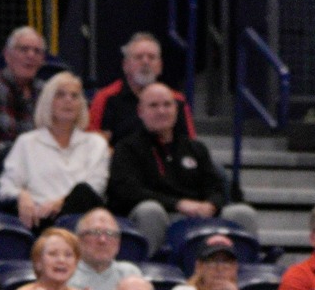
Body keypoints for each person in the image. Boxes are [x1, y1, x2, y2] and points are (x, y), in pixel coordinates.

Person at [107, 84, 257, 251]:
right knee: (150, 210)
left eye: (167, 105)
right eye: (154, 106)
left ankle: (243, 268)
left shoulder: (196, 148)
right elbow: (127, 192)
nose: (162, 111)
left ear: (176, 110)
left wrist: (211, 205)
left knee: (242, 212)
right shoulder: (127, 148)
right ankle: (149, 269)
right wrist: (178, 204)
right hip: (159, 215)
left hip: (199, 216)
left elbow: (218, 187)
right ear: (140, 111)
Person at [0, 71, 109, 228]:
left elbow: (95, 188)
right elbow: (6, 186)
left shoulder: (96, 143)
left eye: (74, 96)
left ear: (82, 104)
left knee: (83, 191)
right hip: (36, 218)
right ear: (48, 102)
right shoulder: (27, 142)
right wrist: (22, 196)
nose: (68, 100)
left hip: (80, 221)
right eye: (60, 95)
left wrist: (60, 203)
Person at [89, 33, 196, 142]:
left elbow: (190, 148)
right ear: (125, 66)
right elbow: (92, 148)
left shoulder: (176, 100)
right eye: (138, 57)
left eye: (151, 57)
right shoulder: (105, 98)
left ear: (160, 66)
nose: (145, 62)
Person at [70, 208, 141, 290]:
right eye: (95, 232)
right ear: (79, 241)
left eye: (110, 234)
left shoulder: (130, 274)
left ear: (118, 243)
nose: (102, 240)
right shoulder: (65, 275)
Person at [0, 25, 46, 167]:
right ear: (7, 55)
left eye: (37, 51)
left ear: (42, 60)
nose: (31, 55)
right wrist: (16, 152)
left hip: (39, 166)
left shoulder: (47, 92)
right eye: (24, 49)